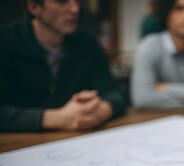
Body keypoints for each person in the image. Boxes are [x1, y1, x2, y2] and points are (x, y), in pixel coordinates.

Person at [0, 0, 127, 132]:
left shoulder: (86, 42)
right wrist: (54, 118)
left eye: (77, 1)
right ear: (34, 7)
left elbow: (116, 91)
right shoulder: (4, 41)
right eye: (62, 1)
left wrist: (102, 110)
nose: (75, 9)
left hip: (76, 141)